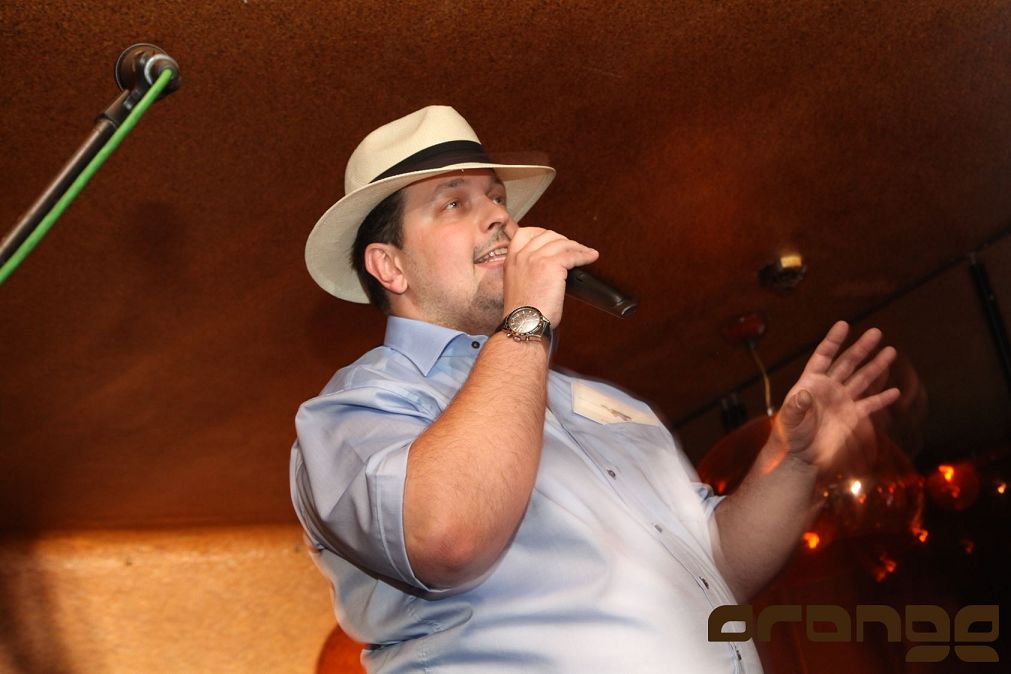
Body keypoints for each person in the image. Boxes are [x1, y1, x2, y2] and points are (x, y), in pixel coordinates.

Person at [290, 105, 899, 673]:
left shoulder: (611, 408)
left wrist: (793, 461)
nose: (500, 217)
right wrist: (528, 318)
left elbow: (714, 570)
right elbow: (446, 536)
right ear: (390, 266)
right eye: (454, 203)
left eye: (497, 198)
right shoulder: (355, 410)